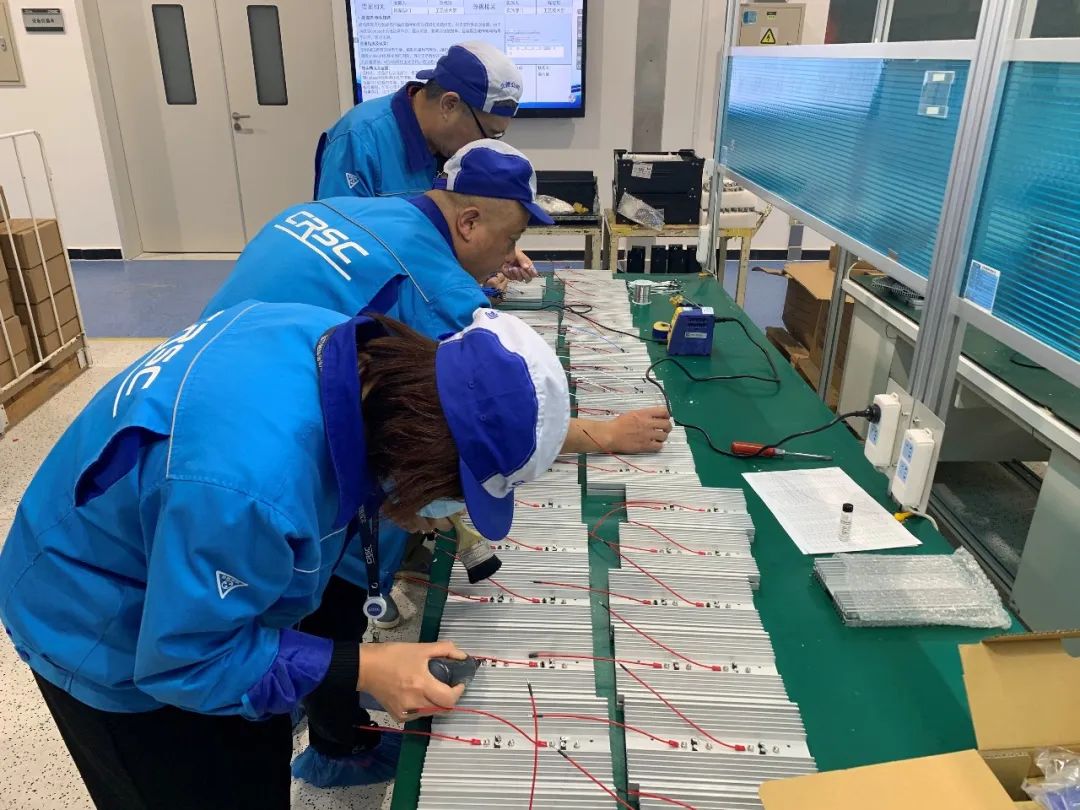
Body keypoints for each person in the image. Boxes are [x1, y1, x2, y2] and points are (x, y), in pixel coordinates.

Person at [202, 139, 673, 787]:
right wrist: (355, 668)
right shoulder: (263, 490)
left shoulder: (376, 210)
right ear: (468, 222)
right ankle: (338, 746)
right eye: (510, 240)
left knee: (271, 625)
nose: (511, 256)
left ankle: (307, 707)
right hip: (217, 512)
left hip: (230, 385)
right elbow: (190, 648)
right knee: (307, 606)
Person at [0, 303, 570, 810]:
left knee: (251, 759)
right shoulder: (250, 489)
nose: (445, 509)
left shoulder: (336, 346)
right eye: (452, 490)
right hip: (98, 624)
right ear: (424, 448)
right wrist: (364, 668)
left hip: (174, 559)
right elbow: (185, 662)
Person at [315, 41, 537, 281]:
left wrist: (491, 253)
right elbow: (339, 253)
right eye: (488, 134)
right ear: (449, 105)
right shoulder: (359, 139)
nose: (485, 146)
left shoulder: (451, 148)